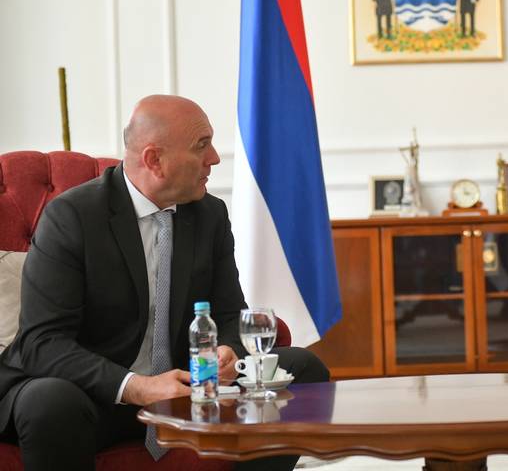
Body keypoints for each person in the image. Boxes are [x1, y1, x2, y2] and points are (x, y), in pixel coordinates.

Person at [0, 95, 330, 471]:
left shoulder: (210, 214)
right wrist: (137, 386)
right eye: (202, 145)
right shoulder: (72, 217)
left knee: (304, 369)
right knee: (49, 402)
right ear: (154, 160)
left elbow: (229, 314)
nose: (215, 158)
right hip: (95, 394)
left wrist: (228, 351)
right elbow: (43, 343)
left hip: (187, 386)